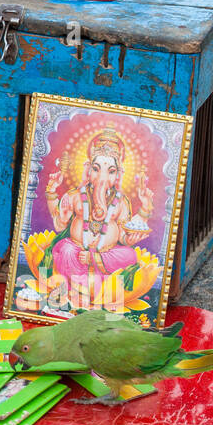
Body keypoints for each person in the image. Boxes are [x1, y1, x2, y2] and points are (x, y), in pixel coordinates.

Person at [43, 127, 152, 309]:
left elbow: (124, 237)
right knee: (65, 250)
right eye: (96, 169)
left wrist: (143, 213)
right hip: (77, 252)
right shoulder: (76, 195)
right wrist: (52, 192)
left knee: (130, 255)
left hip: (105, 255)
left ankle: (89, 285)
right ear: (88, 170)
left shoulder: (120, 202)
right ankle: (76, 290)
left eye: (110, 171)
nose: (102, 177)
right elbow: (59, 225)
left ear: (118, 174)